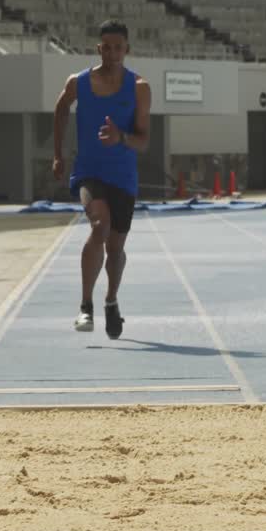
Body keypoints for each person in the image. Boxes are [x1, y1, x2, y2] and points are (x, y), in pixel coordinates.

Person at [52, 19, 152, 340]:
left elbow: (143, 141)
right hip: (89, 172)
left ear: (127, 50)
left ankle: (111, 299)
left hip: (123, 176)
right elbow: (60, 108)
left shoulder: (139, 88)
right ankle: (85, 304)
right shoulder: (78, 83)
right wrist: (59, 154)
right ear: (98, 49)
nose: (112, 53)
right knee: (100, 225)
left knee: (116, 249)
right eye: (106, 47)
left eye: (118, 48)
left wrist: (120, 137)